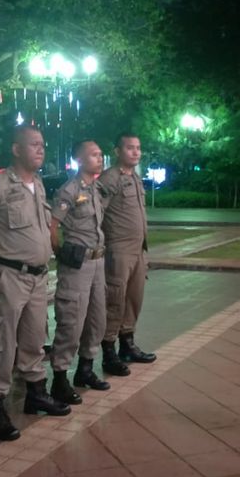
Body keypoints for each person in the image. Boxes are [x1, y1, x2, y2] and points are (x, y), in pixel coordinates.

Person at [0, 125, 70, 442]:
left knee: (35, 336)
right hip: (7, 276)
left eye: (43, 145)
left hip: (37, 276)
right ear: (16, 149)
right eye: (34, 144)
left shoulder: (36, 184)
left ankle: (36, 392)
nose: (41, 149)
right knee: (0, 343)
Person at [49, 140, 110, 405]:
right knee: (71, 321)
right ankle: (60, 378)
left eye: (101, 154)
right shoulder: (69, 190)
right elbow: (53, 227)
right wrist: (62, 254)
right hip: (77, 264)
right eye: (94, 155)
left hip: (98, 263)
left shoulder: (97, 189)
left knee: (97, 319)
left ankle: (85, 370)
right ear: (80, 160)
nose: (100, 158)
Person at [97, 132, 156, 377]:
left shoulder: (136, 178)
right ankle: (109, 351)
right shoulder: (110, 178)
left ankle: (127, 345)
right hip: (118, 250)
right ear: (117, 151)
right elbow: (96, 212)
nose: (135, 152)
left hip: (138, 250)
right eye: (130, 148)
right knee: (115, 300)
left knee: (134, 299)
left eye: (138, 148)